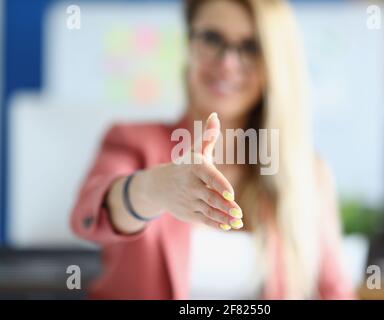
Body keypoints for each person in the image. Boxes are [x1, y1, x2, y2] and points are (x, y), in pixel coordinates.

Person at [70, 0, 354, 299]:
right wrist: (154, 188)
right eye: (212, 38)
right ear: (189, 44)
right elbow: (87, 219)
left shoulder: (306, 172)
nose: (228, 63)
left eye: (251, 47)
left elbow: (335, 291)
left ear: (274, 63)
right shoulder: (132, 141)